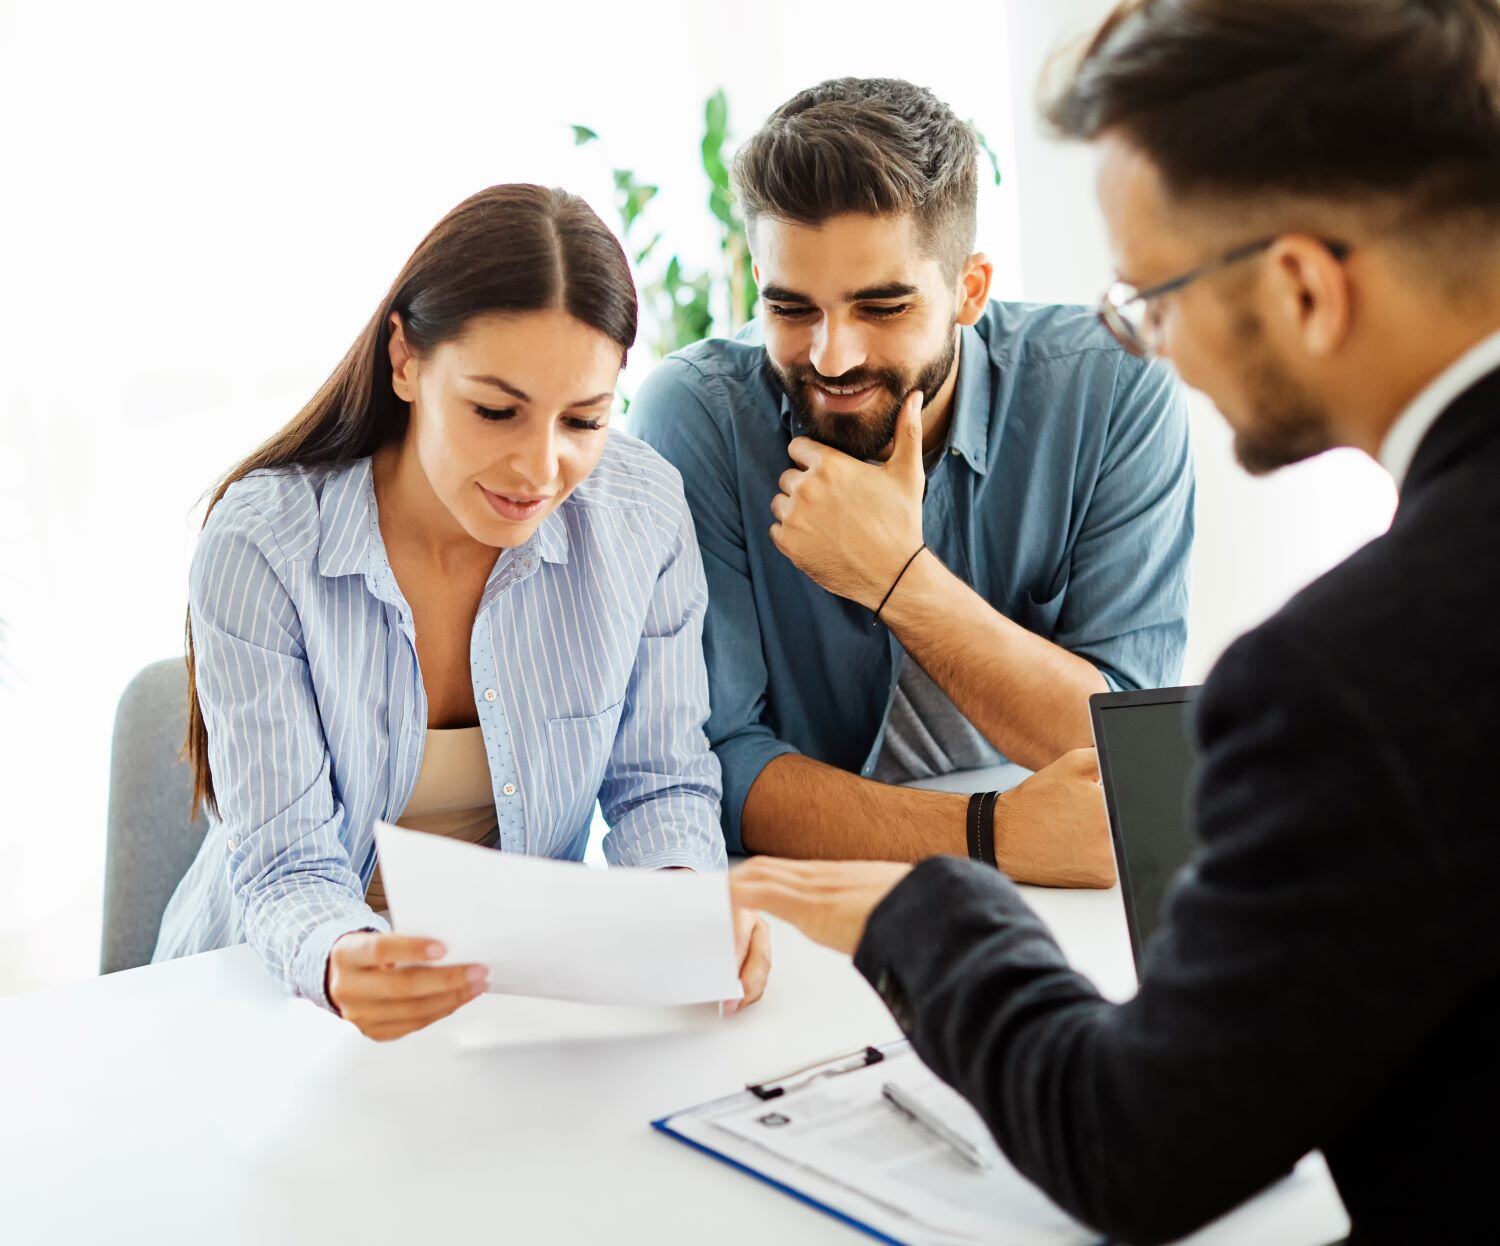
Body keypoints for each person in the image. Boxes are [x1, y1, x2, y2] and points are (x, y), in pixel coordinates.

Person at [730, 1, 1500, 1241]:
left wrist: (923, 903)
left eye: (1153, 291)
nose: (1153, 341)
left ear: (1302, 288)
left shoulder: (1352, 681)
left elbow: (1137, 1144)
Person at [154, 185, 769, 1040]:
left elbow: (660, 781)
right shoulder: (264, 544)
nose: (539, 469)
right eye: (495, 411)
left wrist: (676, 917)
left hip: (506, 1003)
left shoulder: (640, 515)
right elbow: (286, 866)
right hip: (273, 996)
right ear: (404, 360)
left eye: (584, 420)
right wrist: (343, 961)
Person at [633, 78, 1193, 885]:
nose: (832, 356)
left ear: (969, 289)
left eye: (882, 307)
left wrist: (898, 579)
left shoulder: (1109, 390)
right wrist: (988, 832)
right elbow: (714, 766)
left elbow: (1127, 744)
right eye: (791, 308)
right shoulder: (697, 417)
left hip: (1068, 888)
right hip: (820, 894)